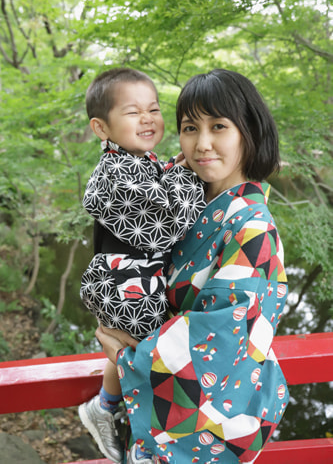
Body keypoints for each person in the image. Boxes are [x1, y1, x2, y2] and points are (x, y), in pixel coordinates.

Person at [94, 68, 290, 464]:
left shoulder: (252, 227)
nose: (202, 143)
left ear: (248, 131)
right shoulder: (184, 199)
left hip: (203, 424)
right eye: (189, 127)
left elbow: (222, 344)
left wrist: (126, 357)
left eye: (218, 126)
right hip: (160, 410)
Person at [78, 67, 206, 463]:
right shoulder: (116, 171)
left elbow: (158, 188)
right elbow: (163, 226)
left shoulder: (137, 161)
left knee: (140, 347)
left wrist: (176, 168)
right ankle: (146, 442)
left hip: (132, 279)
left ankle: (108, 407)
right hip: (125, 284)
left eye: (153, 108)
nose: (148, 118)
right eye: (133, 112)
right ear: (102, 128)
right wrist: (195, 176)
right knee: (155, 354)